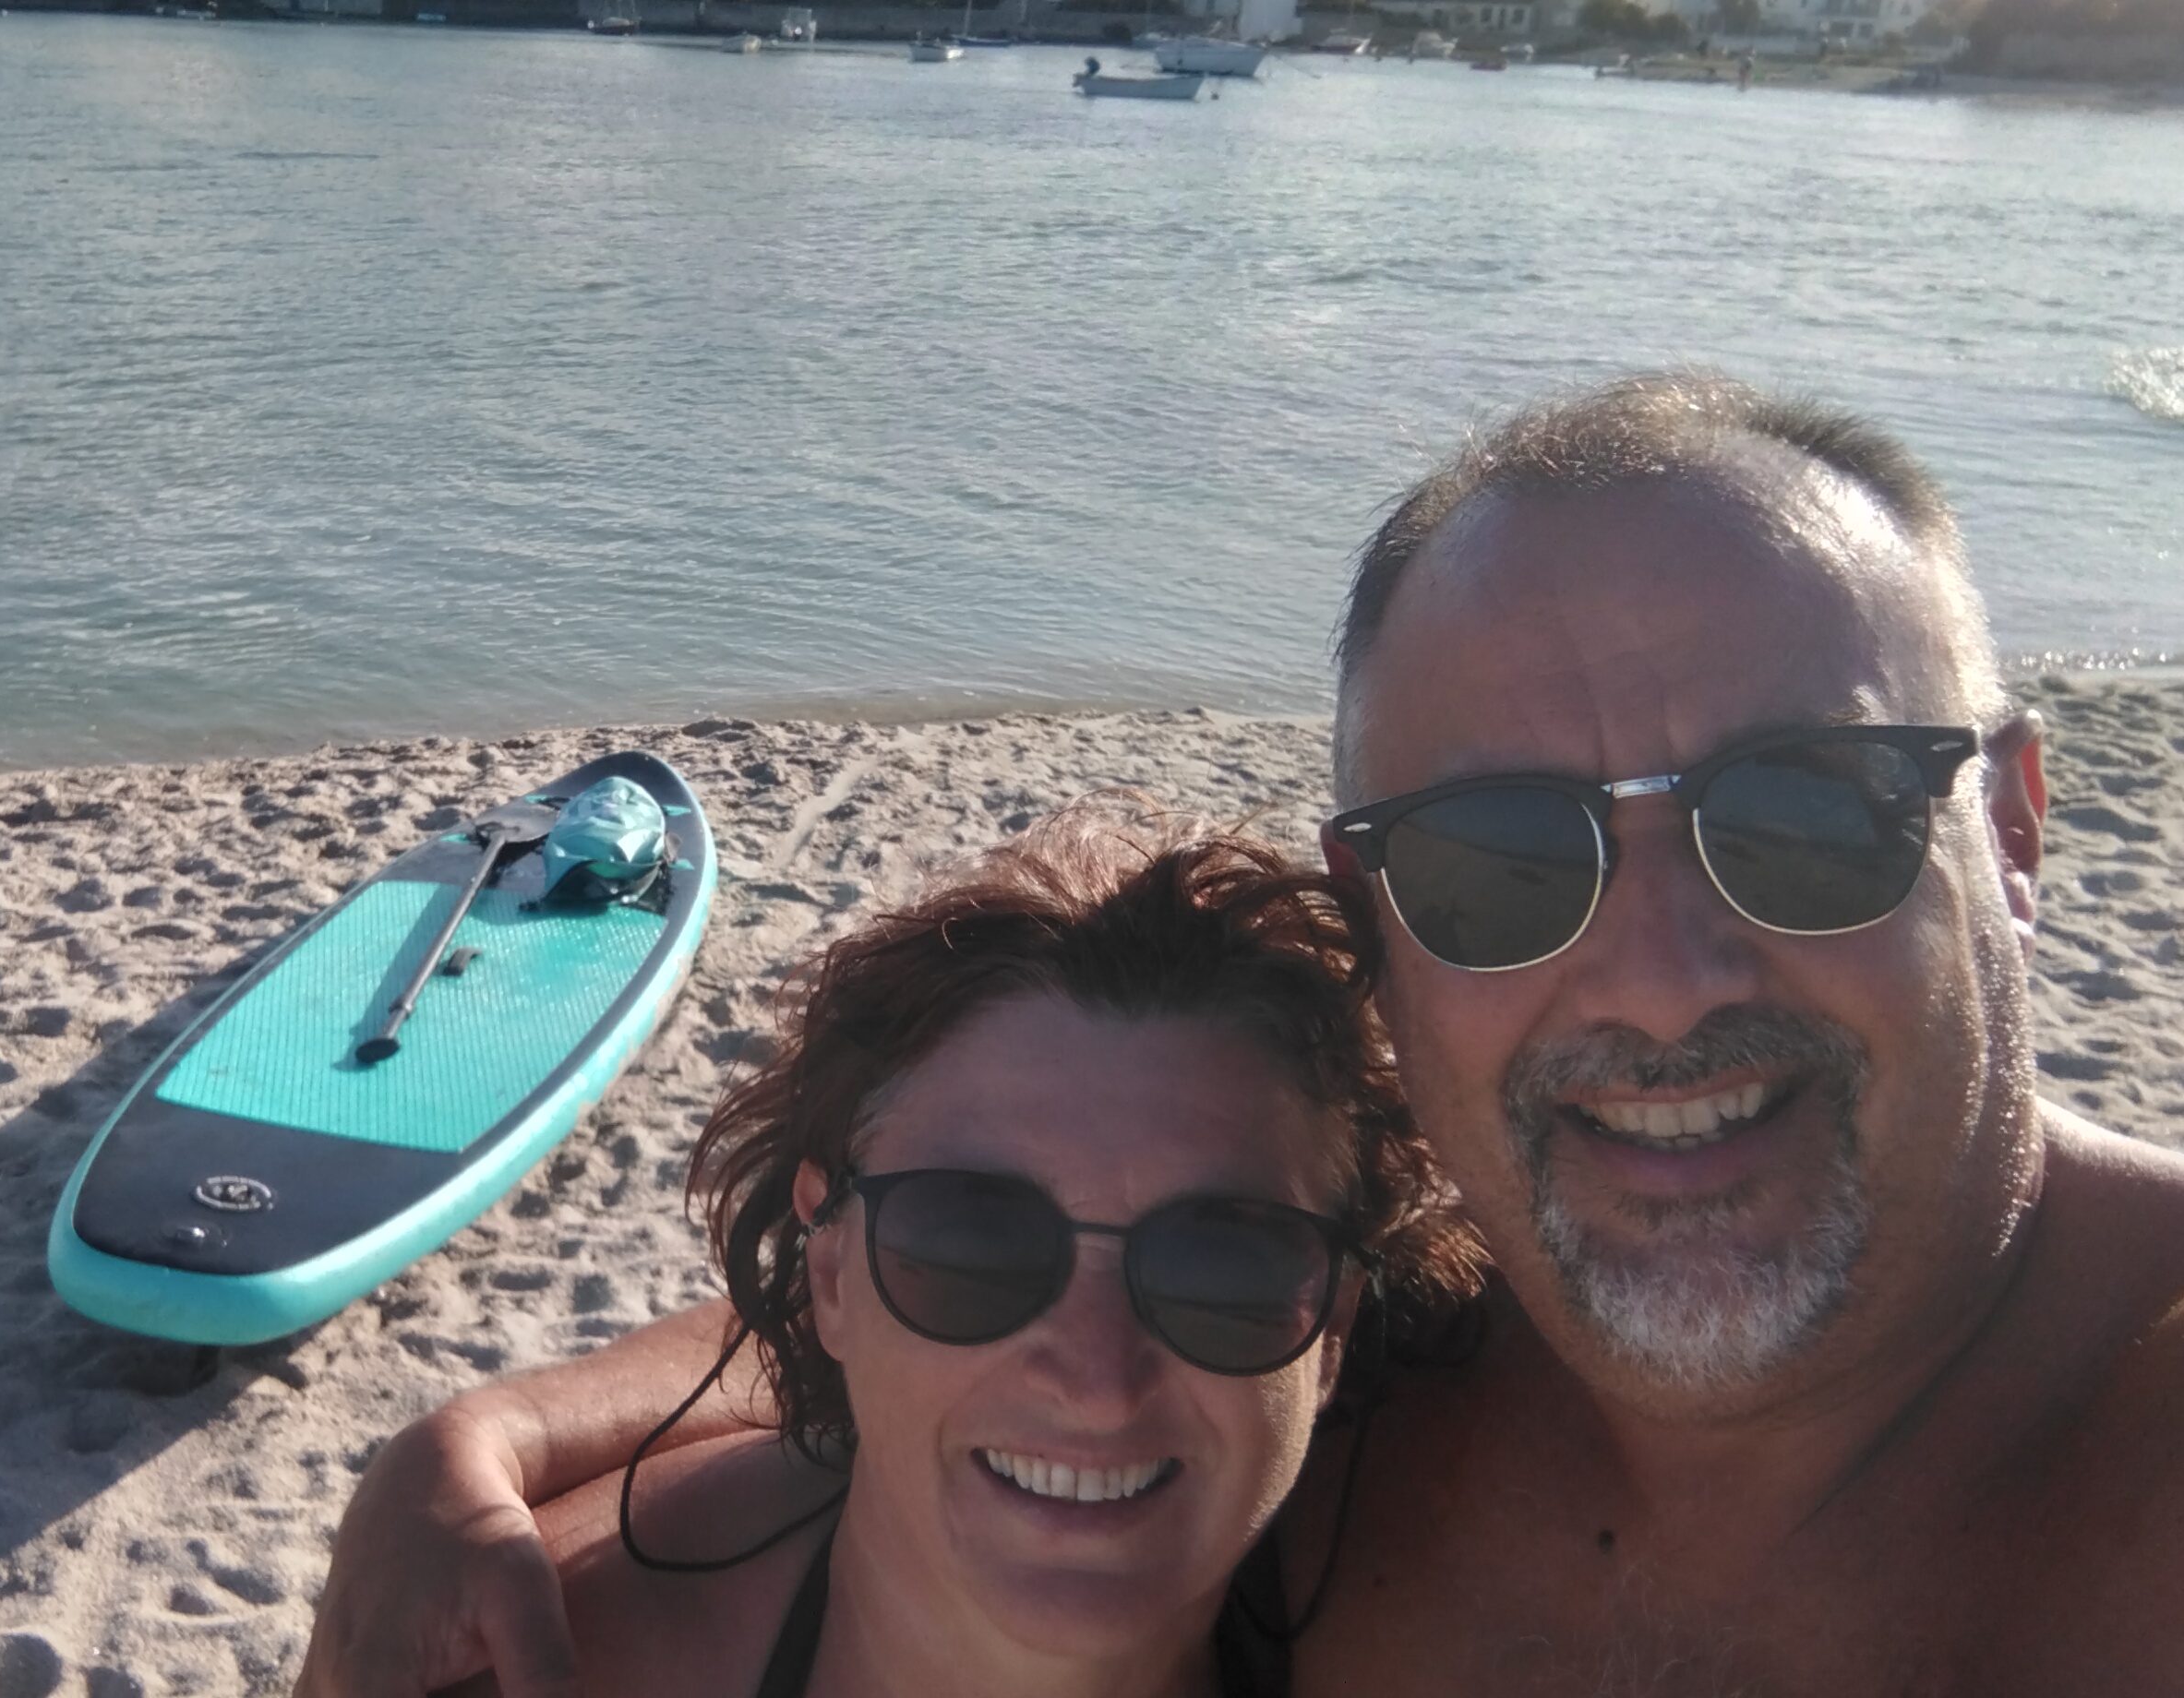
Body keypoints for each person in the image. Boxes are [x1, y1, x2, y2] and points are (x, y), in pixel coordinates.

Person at [298, 372, 2184, 1696]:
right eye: (1500, 863)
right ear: (1379, 924)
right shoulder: (1422, 1334)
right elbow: (1001, 1290)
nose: (1660, 975)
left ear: (2013, 832)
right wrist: (481, 1435)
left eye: (1804, 815)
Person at [493, 808, 1479, 1698]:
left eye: (1222, 1270)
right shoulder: (557, 1658)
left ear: (1334, 1324)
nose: (1097, 1384)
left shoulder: (1471, 1622)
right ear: (831, 1273)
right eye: (973, 1246)